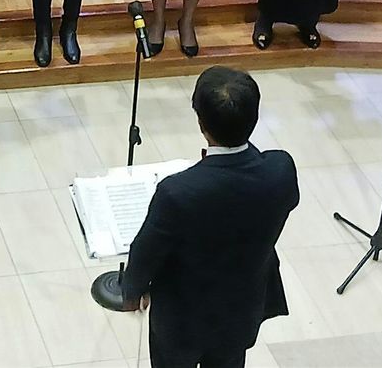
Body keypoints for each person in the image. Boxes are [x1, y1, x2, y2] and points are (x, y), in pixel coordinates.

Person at [123, 66, 299, 368]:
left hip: (182, 322)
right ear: (254, 119)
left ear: (201, 124)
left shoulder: (177, 192)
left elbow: (145, 253)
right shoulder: (280, 170)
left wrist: (132, 291)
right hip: (241, 312)